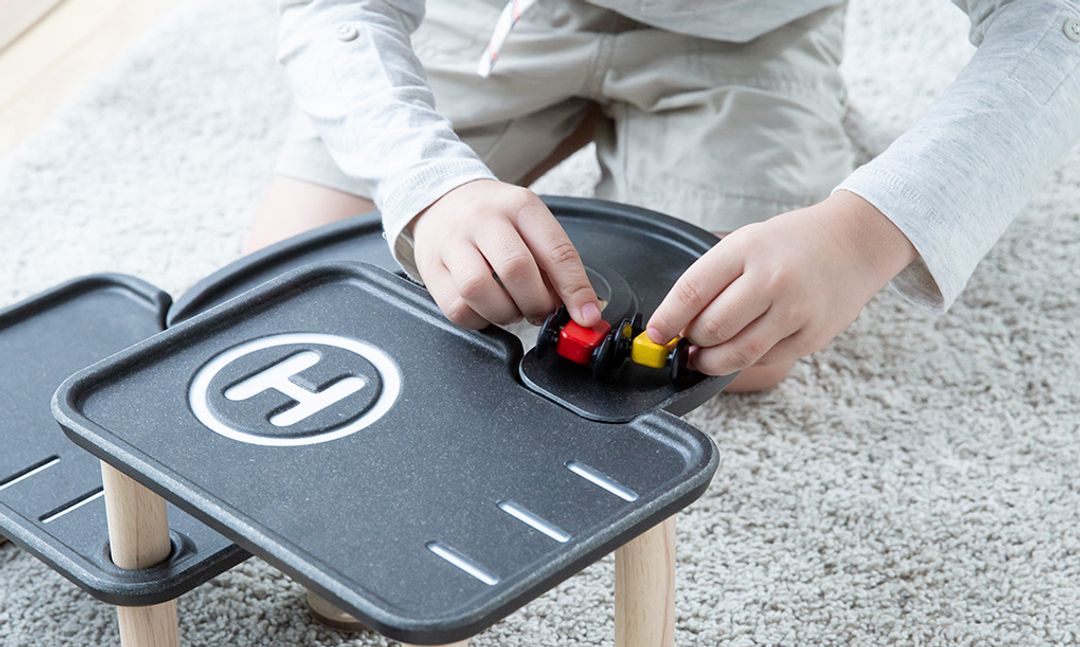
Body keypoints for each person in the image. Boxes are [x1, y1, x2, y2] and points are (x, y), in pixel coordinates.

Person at [251, 0, 1080, 393]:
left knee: (739, 345)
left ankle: (803, 108)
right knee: (297, 282)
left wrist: (865, 234)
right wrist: (427, 185)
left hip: (748, 32)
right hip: (496, 14)